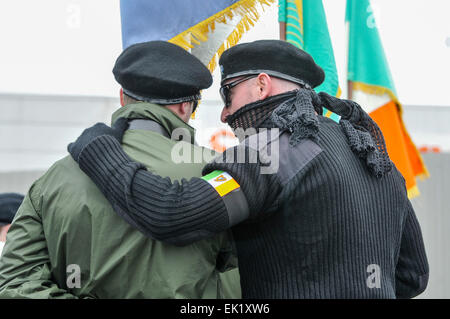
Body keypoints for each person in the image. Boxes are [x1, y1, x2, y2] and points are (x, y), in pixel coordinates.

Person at [67, 40, 429, 299]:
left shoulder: (273, 148)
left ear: (261, 84)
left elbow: (171, 213)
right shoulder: (373, 154)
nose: (225, 113)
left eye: (228, 94)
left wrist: (99, 150)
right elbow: (413, 276)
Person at [0, 41, 241, 298]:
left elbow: (15, 283)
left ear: (122, 97)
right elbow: (251, 271)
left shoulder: (54, 179)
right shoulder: (220, 172)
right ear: (186, 106)